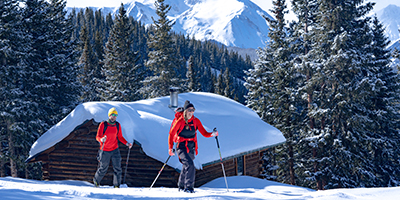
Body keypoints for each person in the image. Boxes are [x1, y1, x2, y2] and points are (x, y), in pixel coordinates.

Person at [168, 100, 218, 193]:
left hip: (191, 147)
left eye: (193, 110)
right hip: (181, 146)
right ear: (185, 111)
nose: (191, 112)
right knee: (190, 165)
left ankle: (181, 185)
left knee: (186, 166)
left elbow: (204, 133)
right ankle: (189, 188)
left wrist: (212, 134)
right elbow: (171, 134)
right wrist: (170, 148)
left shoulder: (196, 121)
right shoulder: (180, 121)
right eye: (189, 110)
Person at [93, 107, 132, 188]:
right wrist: (101, 139)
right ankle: (96, 182)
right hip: (104, 150)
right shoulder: (103, 124)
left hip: (115, 149)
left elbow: (120, 137)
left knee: (118, 168)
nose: (114, 116)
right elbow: (97, 136)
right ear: (109, 115)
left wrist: (127, 143)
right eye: (112, 115)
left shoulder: (117, 125)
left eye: (115, 115)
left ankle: (116, 185)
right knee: (103, 168)